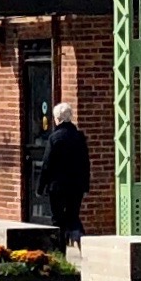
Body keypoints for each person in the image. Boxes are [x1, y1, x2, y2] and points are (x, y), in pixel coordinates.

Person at [37, 102, 91, 248]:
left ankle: (60, 251)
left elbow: (47, 164)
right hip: (76, 186)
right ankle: (81, 243)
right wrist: (85, 184)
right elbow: (86, 162)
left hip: (58, 186)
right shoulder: (79, 137)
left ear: (58, 119)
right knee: (73, 216)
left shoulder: (55, 138)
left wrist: (40, 187)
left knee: (58, 220)